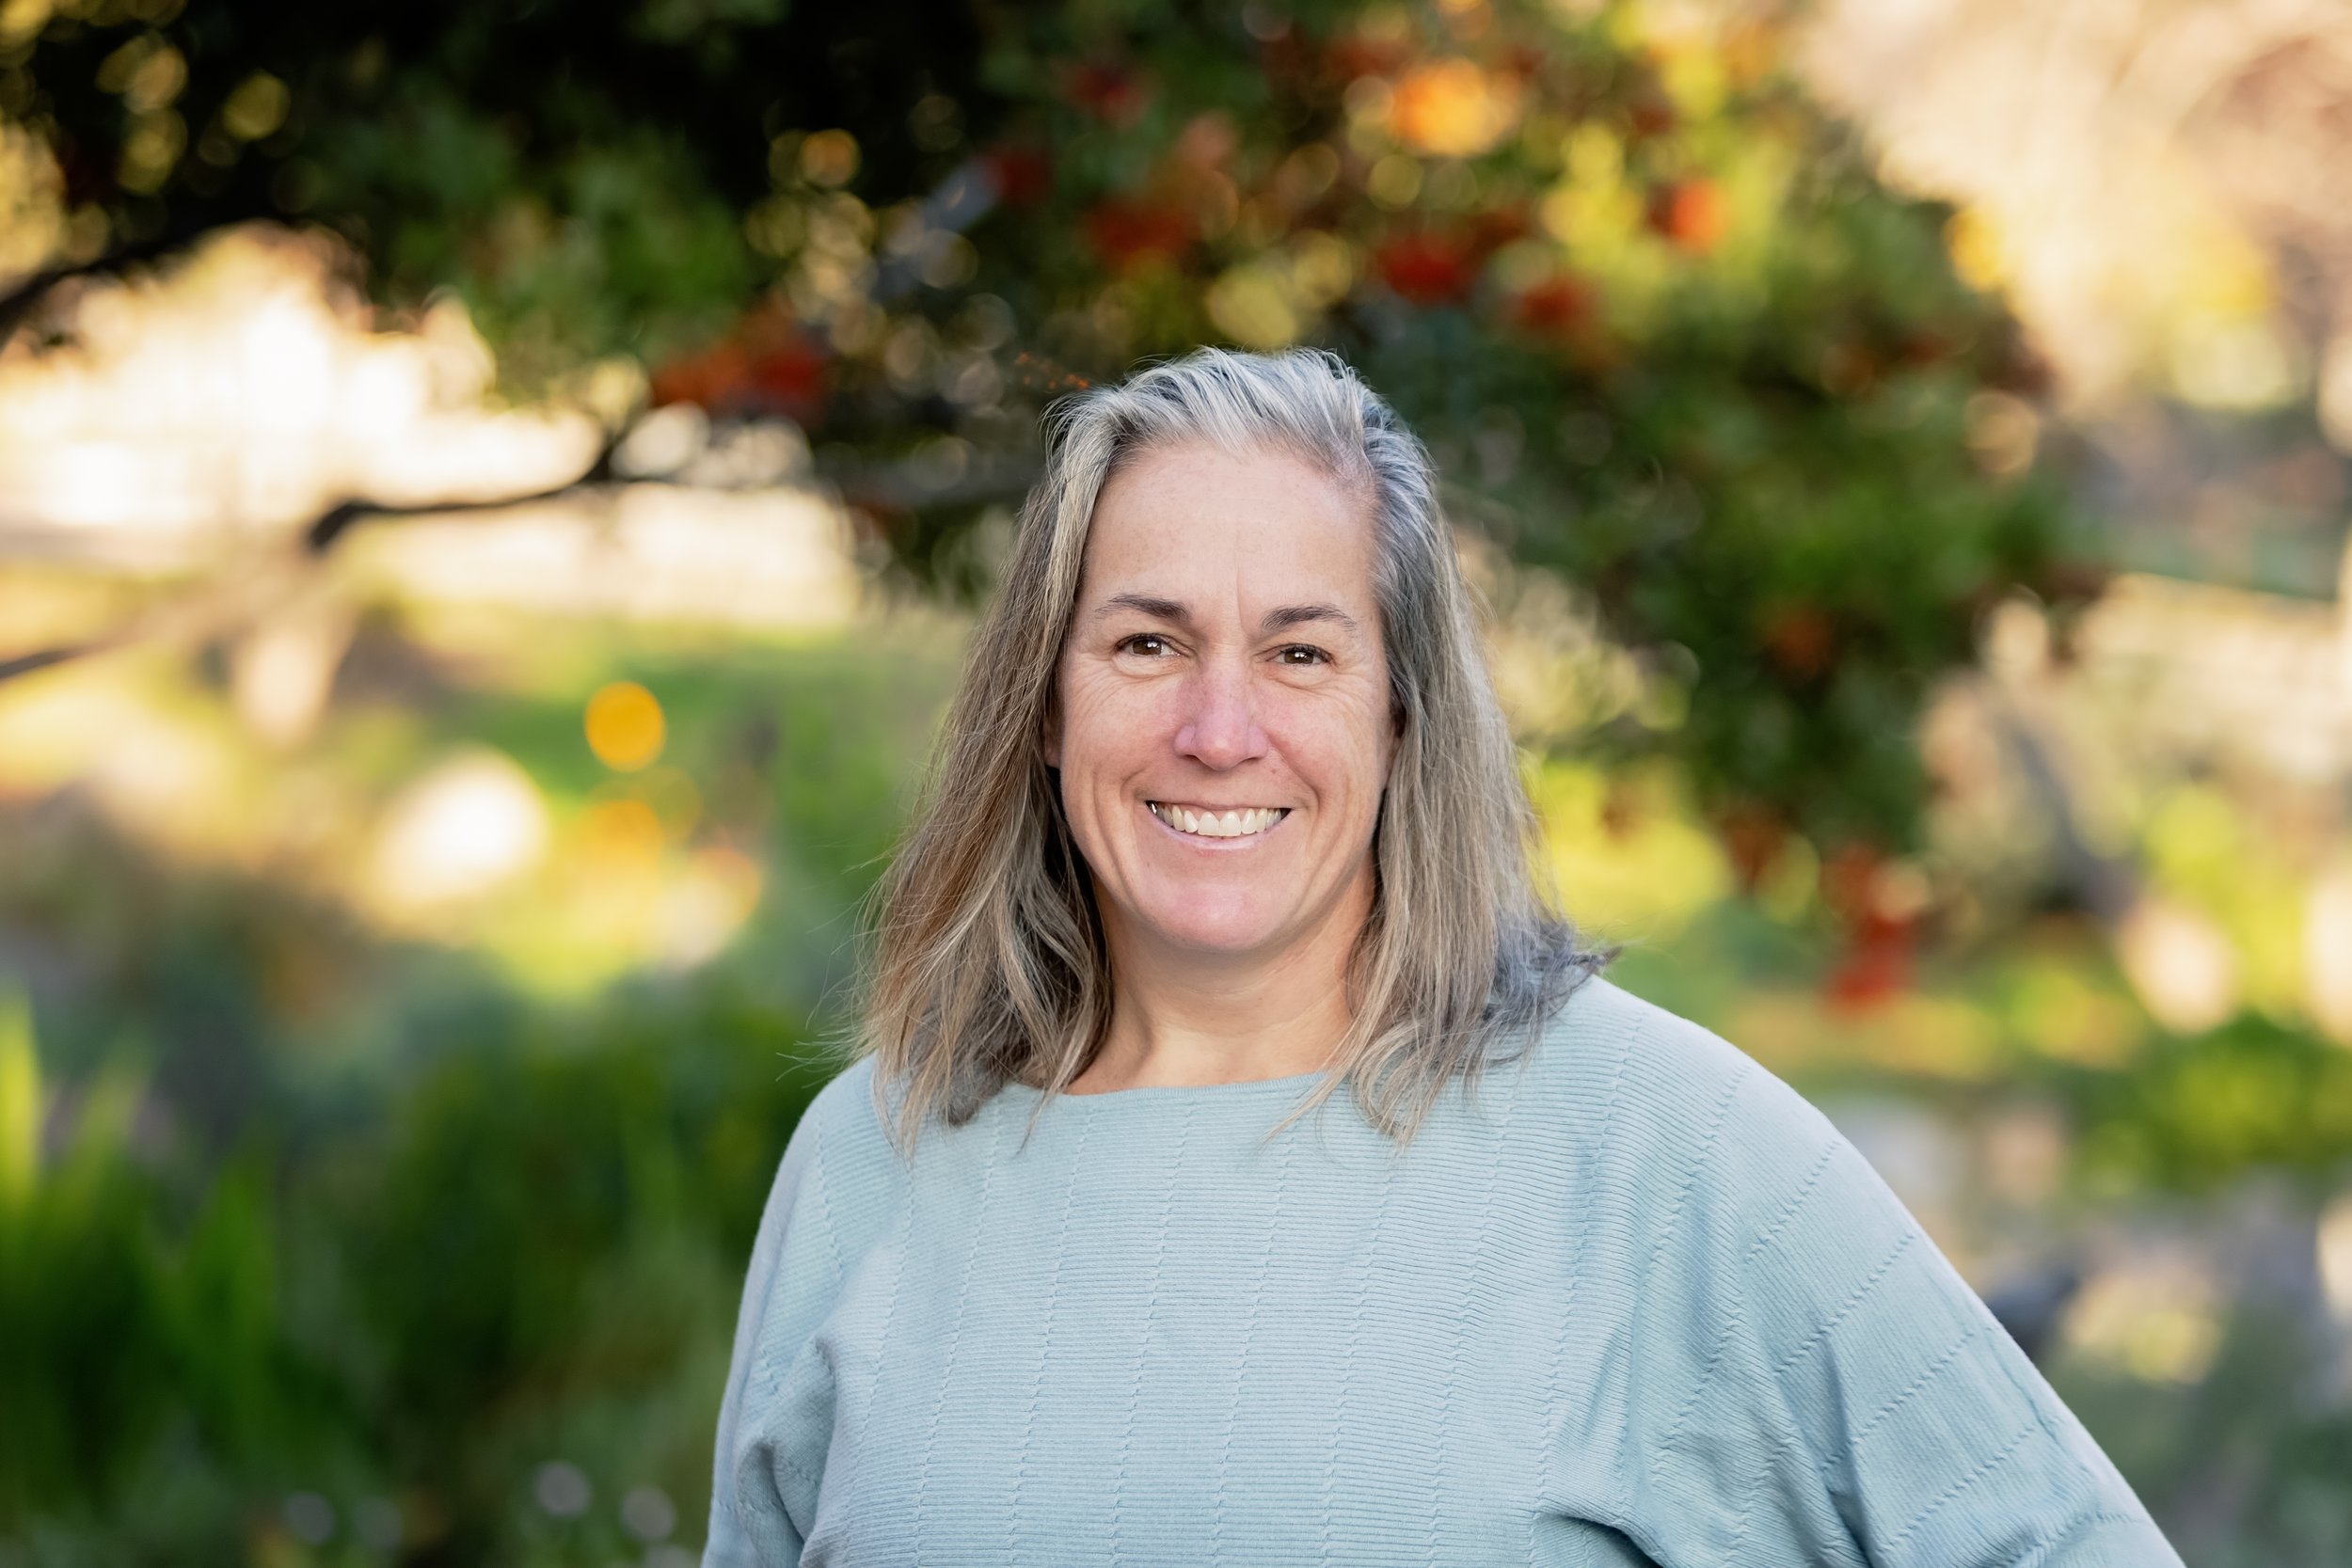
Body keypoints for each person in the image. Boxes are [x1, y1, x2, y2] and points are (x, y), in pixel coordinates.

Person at [701, 346, 2181, 1566]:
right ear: (1043, 704)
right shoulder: (871, 1164)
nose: (1222, 731)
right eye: (1147, 645)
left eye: (1301, 654)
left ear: (1401, 716)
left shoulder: (1658, 1150)